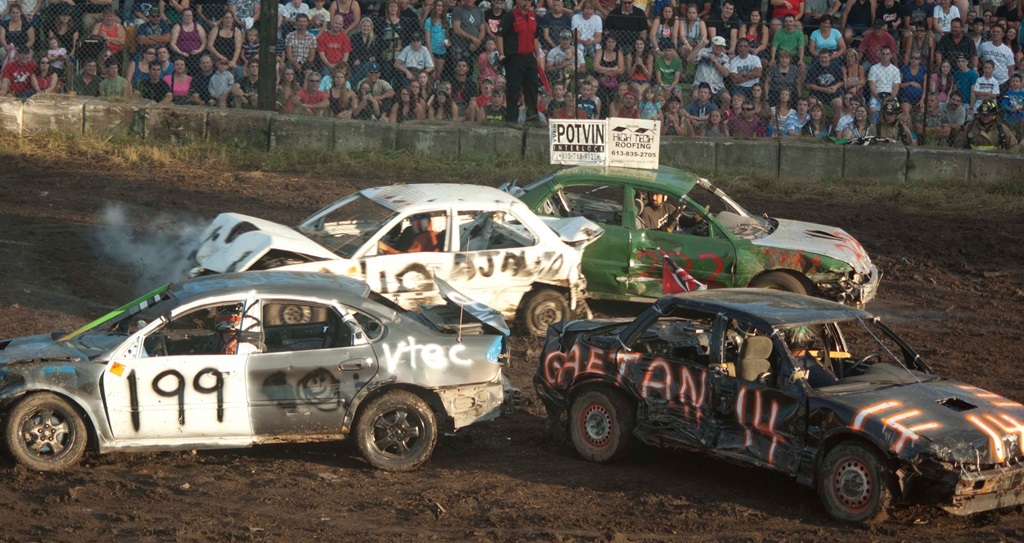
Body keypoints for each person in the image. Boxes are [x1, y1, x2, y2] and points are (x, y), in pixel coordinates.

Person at [497, 0, 545, 128]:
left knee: (532, 87)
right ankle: (512, 119)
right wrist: (501, 53)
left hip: (529, 56)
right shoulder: (510, 16)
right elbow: (500, 35)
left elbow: (535, 37)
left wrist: (538, 56)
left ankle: (532, 117)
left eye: (529, 0)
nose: (527, 2)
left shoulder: (533, 16)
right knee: (514, 88)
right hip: (514, 57)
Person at [953, 98, 1019, 149]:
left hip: (996, 163)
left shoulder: (1001, 129)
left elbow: (1014, 146)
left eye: (988, 115)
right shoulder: (970, 127)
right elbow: (958, 144)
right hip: (974, 163)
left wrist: (1005, 161)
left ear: (994, 115)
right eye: (983, 114)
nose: (985, 117)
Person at [690, 35, 732, 99]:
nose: (718, 47)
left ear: (723, 46)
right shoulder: (703, 52)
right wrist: (700, 46)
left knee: (727, 97)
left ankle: (722, 110)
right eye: (716, 45)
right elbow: (689, 60)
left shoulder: (725, 58)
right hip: (700, 83)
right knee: (695, 95)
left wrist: (715, 61)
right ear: (712, 44)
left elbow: (726, 74)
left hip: (717, 86)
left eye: (720, 46)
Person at [379, 213, 443, 254]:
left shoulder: (422, 238)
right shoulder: (410, 231)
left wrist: (386, 248)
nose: (412, 223)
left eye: (413, 221)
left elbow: (406, 257)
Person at [979, 23, 1015, 90]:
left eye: (998, 32)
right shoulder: (984, 46)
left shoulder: (1008, 50)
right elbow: (976, 58)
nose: (996, 33)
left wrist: (1010, 82)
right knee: (986, 100)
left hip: (1002, 82)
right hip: (987, 80)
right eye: (994, 31)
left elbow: (1011, 68)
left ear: (1003, 34)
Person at [170, 9, 207, 75]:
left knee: (195, 64)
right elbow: (172, 43)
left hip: (195, 54)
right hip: (180, 53)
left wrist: (198, 51)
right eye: (186, 15)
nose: (188, 17)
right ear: (182, 16)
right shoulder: (177, 27)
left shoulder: (198, 27)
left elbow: (204, 42)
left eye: (190, 15)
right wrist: (181, 52)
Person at [868, 45, 901, 115]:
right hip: (877, 95)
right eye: (883, 54)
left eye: (887, 54)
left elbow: (895, 88)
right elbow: (872, 87)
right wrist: (879, 99)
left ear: (891, 55)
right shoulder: (873, 68)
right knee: (874, 110)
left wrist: (889, 99)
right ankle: (874, 125)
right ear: (880, 55)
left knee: (894, 110)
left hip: (891, 95)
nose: (885, 56)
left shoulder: (896, 70)